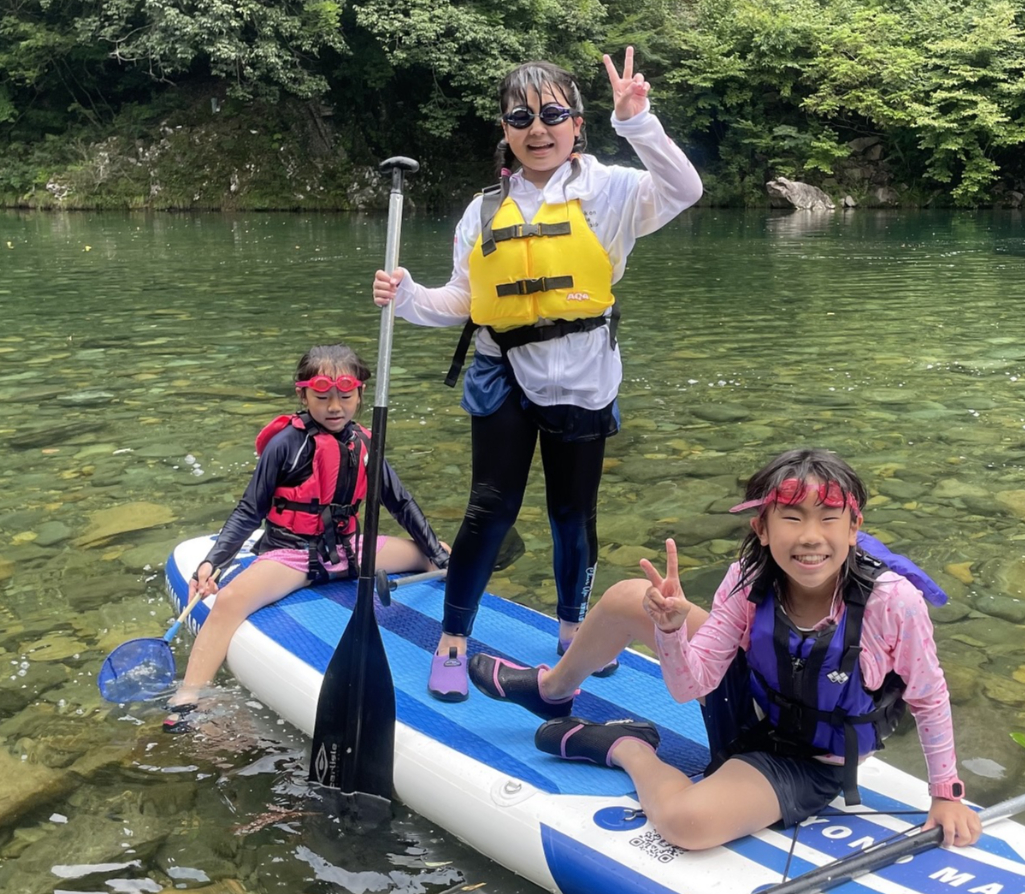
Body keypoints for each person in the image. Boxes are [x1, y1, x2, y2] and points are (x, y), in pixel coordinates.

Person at [373, 48, 702, 702]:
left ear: (578, 123)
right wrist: (408, 295)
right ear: (505, 128)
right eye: (521, 116)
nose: (537, 128)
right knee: (488, 510)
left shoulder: (611, 190)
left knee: (571, 516)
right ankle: (453, 639)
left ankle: (574, 630)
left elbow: (685, 190)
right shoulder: (483, 209)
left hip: (583, 380)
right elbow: (463, 303)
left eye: (553, 113)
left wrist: (639, 123)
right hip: (503, 378)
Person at [467, 449, 982, 852]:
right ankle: (553, 690)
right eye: (792, 518)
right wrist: (668, 630)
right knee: (630, 598)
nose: (810, 538)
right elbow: (690, 686)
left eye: (829, 518)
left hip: (806, 759)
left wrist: (945, 794)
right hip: (750, 704)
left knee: (685, 823)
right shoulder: (746, 579)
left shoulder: (893, 603)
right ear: (761, 526)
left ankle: (626, 748)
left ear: (854, 528)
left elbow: (929, 695)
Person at [164, 344, 449, 732]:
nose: (335, 407)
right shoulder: (286, 445)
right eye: (323, 397)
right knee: (229, 601)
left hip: (352, 550)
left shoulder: (366, 443)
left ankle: (451, 645)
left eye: (346, 397)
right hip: (292, 556)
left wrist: (435, 550)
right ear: (303, 395)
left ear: (360, 395)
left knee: (437, 555)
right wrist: (213, 562)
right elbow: (250, 511)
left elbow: (399, 502)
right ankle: (188, 696)